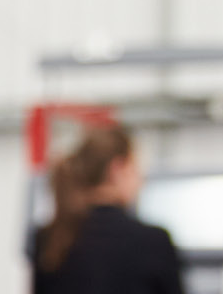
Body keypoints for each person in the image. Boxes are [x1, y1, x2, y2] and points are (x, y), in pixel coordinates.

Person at [31, 124, 185, 294]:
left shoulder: (49, 239)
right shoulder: (153, 241)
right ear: (117, 170)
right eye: (136, 169)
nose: (141, 180)